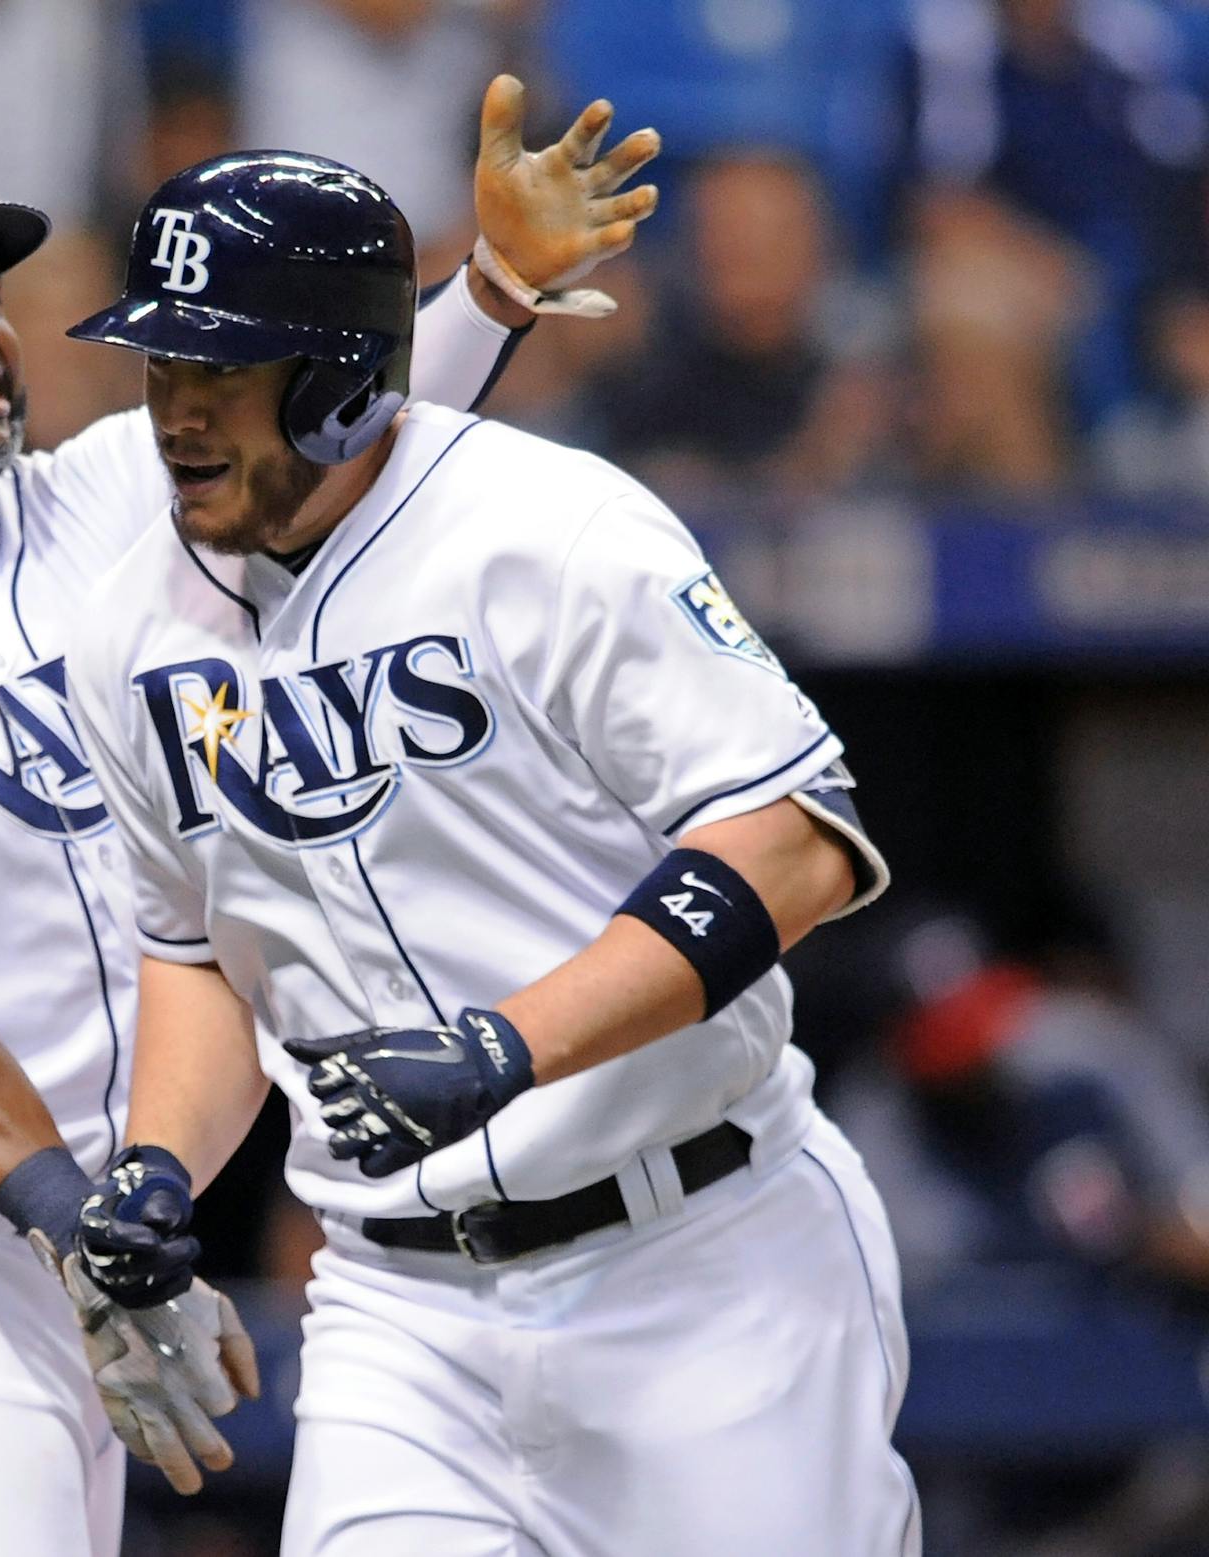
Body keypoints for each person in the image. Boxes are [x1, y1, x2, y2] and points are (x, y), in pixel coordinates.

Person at [0, 78, 661, 1556]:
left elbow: (319, 407)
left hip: (85, 1242)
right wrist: (88, 1236)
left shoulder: (100, 503)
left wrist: (491, 286)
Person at [59, 152, 920, 1556]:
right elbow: (195, 955)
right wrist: (159, 1166)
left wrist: (504, 1049)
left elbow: (796, 842)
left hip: (700, 1269)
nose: (175, 414)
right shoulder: (127, 627)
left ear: (340, 378)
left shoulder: (552, 531)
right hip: (400, 1316)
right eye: (161, 366)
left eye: (222, 372)